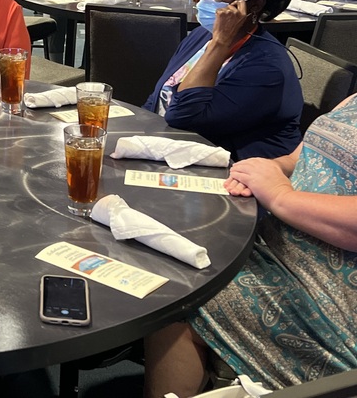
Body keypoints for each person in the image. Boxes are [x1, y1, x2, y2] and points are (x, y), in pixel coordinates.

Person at [143, 93, 357, 397]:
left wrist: (281, 195)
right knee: (173, 254)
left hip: (328, 292)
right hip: (274, 244)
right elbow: (302, 157)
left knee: (178, 296)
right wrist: (267, 170)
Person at [144, 0, 301, 160]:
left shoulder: (267, 68)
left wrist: (219, 44)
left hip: (235, 174)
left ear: (254, 4)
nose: (204, 0)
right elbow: (158, 97)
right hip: (176, 151)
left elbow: (185, 117)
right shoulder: (201, 35)